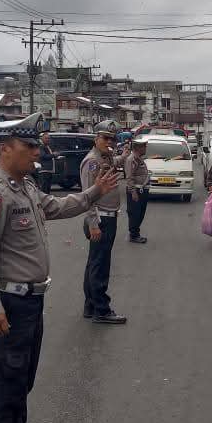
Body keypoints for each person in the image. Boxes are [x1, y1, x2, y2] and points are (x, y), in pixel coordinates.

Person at [0, 112, 120, 423]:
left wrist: (94, 193)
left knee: (21, 379)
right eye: (29, 146)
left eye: (37, 146)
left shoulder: (25, 187)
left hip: (28, 302)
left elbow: (58, 207)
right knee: (6, 382)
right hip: (7, 303)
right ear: (5, 149)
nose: (37, 152)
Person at [81, 120, 127, 324]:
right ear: (96, 138)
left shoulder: (105, 157)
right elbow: (87, 196)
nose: (109, 142)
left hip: (107, 217)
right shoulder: (92, 162)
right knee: (100, 266)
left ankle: (91, 305)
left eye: (112, 139)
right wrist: (93, 224)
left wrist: (123, 155)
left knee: (94, 263)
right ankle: (102, 309)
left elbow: (114, 161)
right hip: (101, 218)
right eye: (105, 138)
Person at [124, 136, 151, 244]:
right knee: (135, 214)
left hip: (142, 190)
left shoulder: (138, 158)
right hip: (136, 191)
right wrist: (133, 192)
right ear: (138, 148)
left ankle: (135, 233)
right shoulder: (131, 159)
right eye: (144, 146)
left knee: (140, 214)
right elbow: (129, 177)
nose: (145, 148)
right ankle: (134, 235)